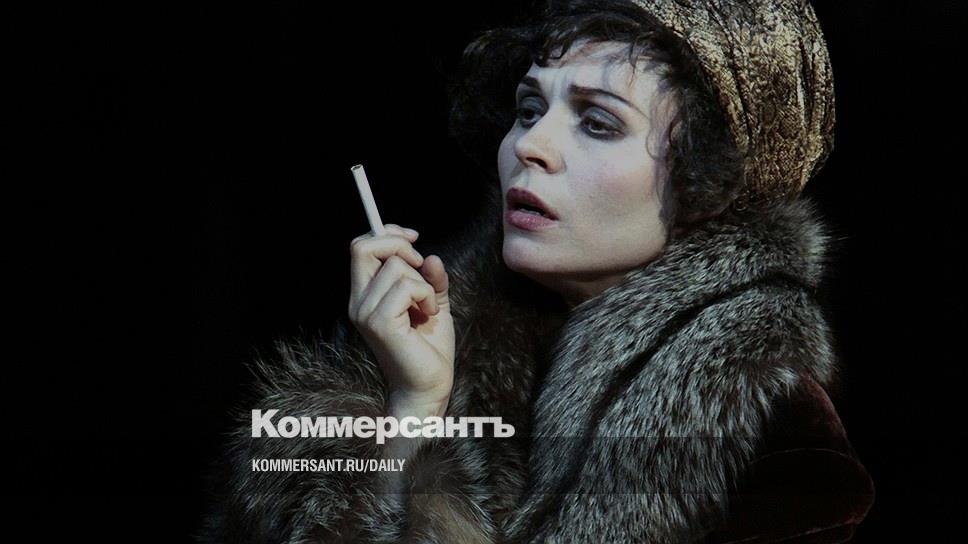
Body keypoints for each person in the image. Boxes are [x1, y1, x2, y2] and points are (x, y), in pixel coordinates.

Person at [198, 0, 875, 542]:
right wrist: (414, 407)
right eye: (528, 109)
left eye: (598, 123)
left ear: (711, 182)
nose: (531, 145)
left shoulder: (774, 433)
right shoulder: (427, 345)